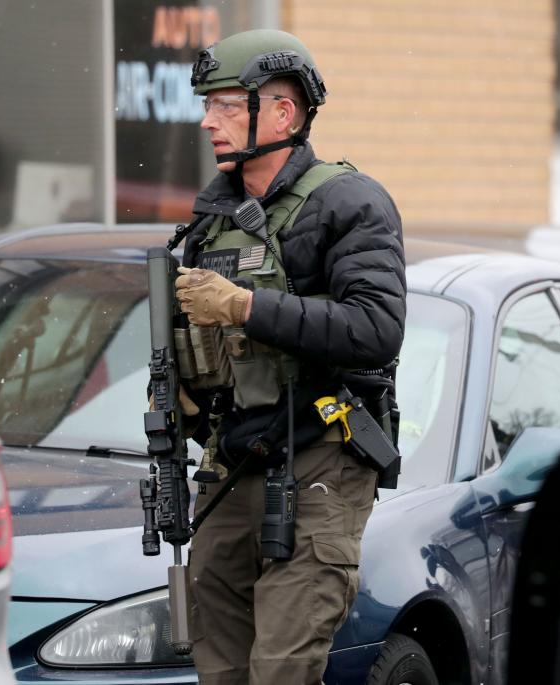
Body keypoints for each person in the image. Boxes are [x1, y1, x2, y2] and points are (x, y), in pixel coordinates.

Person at [172, 28, 405, 684]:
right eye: (206, 106)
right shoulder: (211, 223)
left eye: (223, 105)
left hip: (319, 465)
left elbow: (376, 329)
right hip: (230, 465)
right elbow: (210, 353)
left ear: (281, 112)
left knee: (280, 672)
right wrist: (186, 401)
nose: (206, 121)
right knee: (220, 671)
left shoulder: (347, 202)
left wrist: (245, 306)